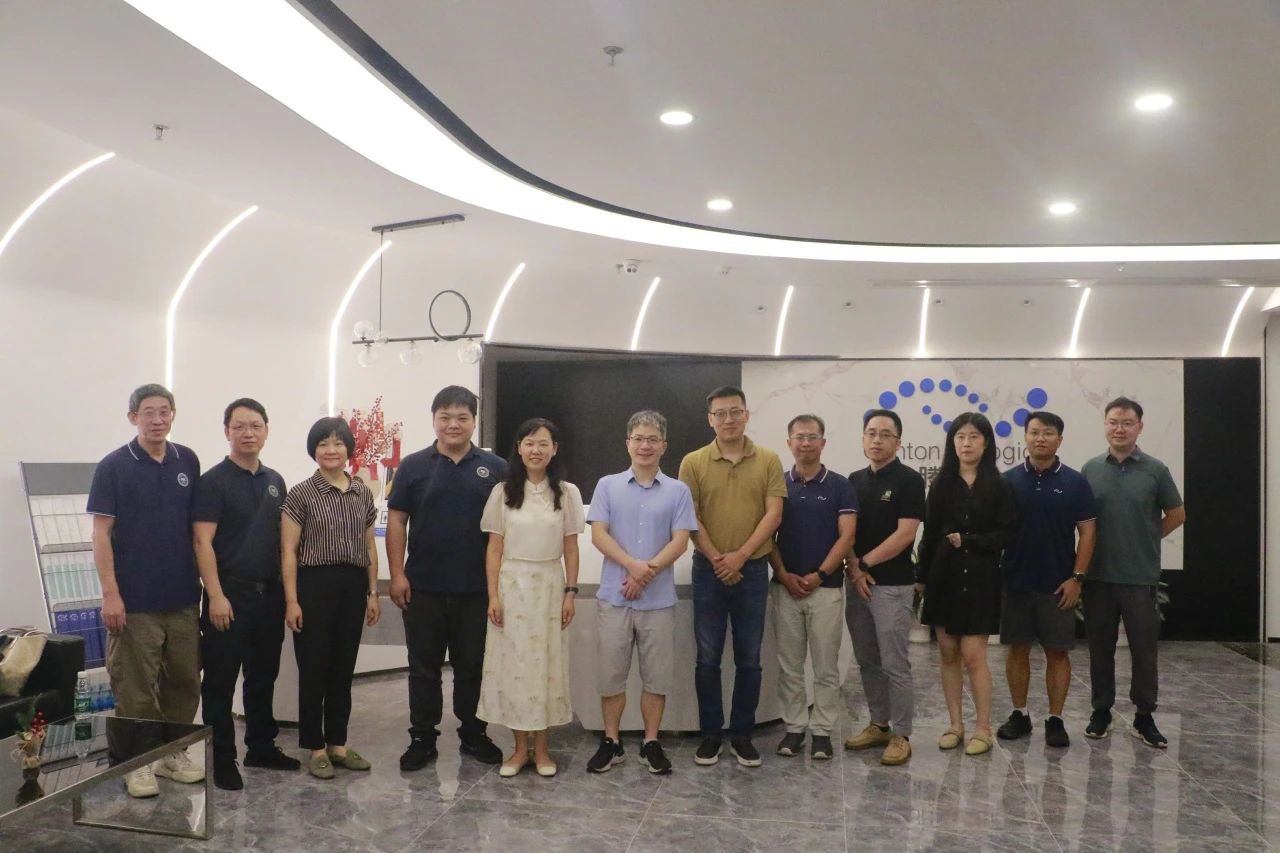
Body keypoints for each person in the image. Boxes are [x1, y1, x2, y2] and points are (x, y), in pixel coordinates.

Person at [89, 383, 204, 799]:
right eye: (149, 412)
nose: (157, 420)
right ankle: (135, 764)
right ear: (133, 417)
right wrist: (110, 594)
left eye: (164, 411)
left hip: (183, 598)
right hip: (134, 602)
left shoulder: (187, 460)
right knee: (135, 691)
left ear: (173, 414)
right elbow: (101, 535)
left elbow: (196, 530)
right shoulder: (114, 466)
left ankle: (173, 754)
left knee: (184, 683)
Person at [386, 386, 506, 771]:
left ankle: (474, 733)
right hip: (423, 587)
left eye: (462, 417)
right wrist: (397, 574)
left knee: (472, 667)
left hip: (477, 589)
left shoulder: (496, 468)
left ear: (474, 421)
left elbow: (506, 529)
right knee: (423, 669)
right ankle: (422, 738)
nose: (453, 424)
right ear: (434, 420)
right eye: (445, 417)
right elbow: (397, 522)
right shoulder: (412, 466)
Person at [195, 398, 300, 791]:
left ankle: (261, 746)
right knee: (220, 683)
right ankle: (222, 759)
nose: (248, 433)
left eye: (255, 425)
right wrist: (215, 595)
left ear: (266, 430)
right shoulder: (212, 482)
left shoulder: (275, 481)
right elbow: (202, 543)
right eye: (239, 426)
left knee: (262, 676)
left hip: (268, 596)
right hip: (229, 596)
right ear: (227, 431)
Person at [678, 385, 786, 768]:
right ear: (710, 419)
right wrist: (718, 558)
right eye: (721, 413)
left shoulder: (769, 459)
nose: (729, 419)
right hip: (708, 570)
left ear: (746, 415)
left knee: (749, 658)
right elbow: (690, 517)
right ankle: (711, 736)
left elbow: (774, 514)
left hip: (753, 569)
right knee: (707, 658)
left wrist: (740, 556)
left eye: (735, 412)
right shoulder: (692, 462)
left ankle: (742, 735)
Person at [586, 411, 697, 776]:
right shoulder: (607, 485)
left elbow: (680, 541)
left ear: (664, 446)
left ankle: (651, 742)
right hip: (614, 598)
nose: (645, 445)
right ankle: (611, 741)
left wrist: (645, 573)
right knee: (611, 675)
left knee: (657, 676)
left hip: (658, 602)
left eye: (652, 439)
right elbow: (598, 534)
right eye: (638, 438)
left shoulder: (678, 491)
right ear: (628, 443)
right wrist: (632, 565)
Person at [478, 418, 584, 778]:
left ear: (554, 449)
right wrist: (493, 595)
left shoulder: (566, 493)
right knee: (515, 669)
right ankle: (519, 749)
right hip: (512, 588)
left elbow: (571, 548)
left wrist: (571, 593)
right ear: (519, 448)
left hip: (550, 587)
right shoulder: (503, 492)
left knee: (545, 668)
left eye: (543, 443)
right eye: (529, 443)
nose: (536, 450)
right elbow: (494, 549)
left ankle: (542, 750)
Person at [1081, 397, 1184, 748]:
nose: (1119, 429)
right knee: (1100, 650)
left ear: (1140, 427)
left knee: (1144, 652)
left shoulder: (1156, 470)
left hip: (1140, 579)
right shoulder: (1091, 469)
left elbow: (1177, 514)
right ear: (1105, 425)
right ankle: (1101, 710)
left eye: (1127, 423)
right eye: (1113, 422)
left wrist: (1148, 535)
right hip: (1098, 577)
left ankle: (1144, 716)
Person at [281, 417, 381, 780]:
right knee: (314, 669)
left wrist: (373, 592)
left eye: (338, 443)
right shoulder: (301, 494)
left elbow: (369, 545)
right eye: (323, 443)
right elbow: (288, 551)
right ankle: (315, 747)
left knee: (342, 668)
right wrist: (292, 600)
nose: (331, 450)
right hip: (314, 586)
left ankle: (338, 743)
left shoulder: (362, 493)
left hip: (352, 586)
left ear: (348, 449)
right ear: (314, 450)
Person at [996, 411, 1096, 749]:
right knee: (1017, 650)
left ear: (1059, 439)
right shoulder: (1008, 481)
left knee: (1057, 653)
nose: (1041, 438)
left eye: (1048, 432)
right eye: (1035, 432)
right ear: (1025, 437)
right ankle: (1019, 714)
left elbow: (1088, 532)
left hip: (1058, 585)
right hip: (1016, 582)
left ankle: (1055, 719)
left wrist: (1077, 578)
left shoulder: (1075, 482)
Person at [919, 412, 1017, 757]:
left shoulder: (999, 486)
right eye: (960, 436)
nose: (966, 443)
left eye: (974, 436)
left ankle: (983, 728)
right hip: (943, 578)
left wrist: (970, 541)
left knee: (974, 656)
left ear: (986, 443)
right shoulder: (941, 484)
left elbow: (1007, 534)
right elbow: (929, 535)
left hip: (979, 579)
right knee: (948, 654)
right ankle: (955, 725)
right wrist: (921, 579)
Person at [768, 414, 856, 761]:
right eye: (799, 437)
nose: (805, 443)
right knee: (789, 666)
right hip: (785, 588)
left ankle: (822, 731)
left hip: (826, 589)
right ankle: (794, 728)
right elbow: (767, 534)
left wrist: (820, 574)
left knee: (825, 666)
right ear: (789, 442)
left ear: (823, 442)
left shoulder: (839, 485)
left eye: (812, 437)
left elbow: (847, 536)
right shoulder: (777, 484)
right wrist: (783, 574)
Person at [844, 409, 926, 766]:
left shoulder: (909, 480)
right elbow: (845, 532)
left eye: (885, 434)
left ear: (898, 442)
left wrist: (864, 564)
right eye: (871, 432)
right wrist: (854, 568)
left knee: (894, 663)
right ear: (863, 438)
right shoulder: (853, 480)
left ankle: (901, 734)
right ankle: (879, 724)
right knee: (867, 661)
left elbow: (906, 534)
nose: (876, 439)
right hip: (857, 584)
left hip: (892, 585)